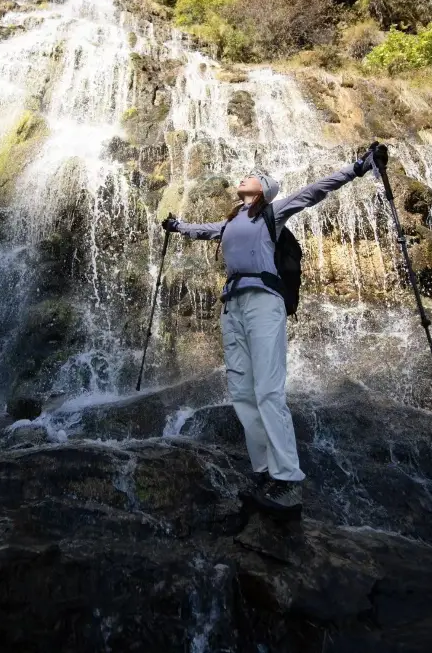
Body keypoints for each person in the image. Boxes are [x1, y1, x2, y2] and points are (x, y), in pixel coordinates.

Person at [161, 145, 383, 515]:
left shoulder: (272, 214)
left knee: (267, 389)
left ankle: (288, 481)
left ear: (263, 189)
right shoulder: (231, 223)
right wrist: (177, 226)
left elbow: (314, 190)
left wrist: (357, 168)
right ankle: (264, 472)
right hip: (232, 306)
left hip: (265, 303)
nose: (242, 178)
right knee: (243, 392)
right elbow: (204, 231)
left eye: (250, 177)